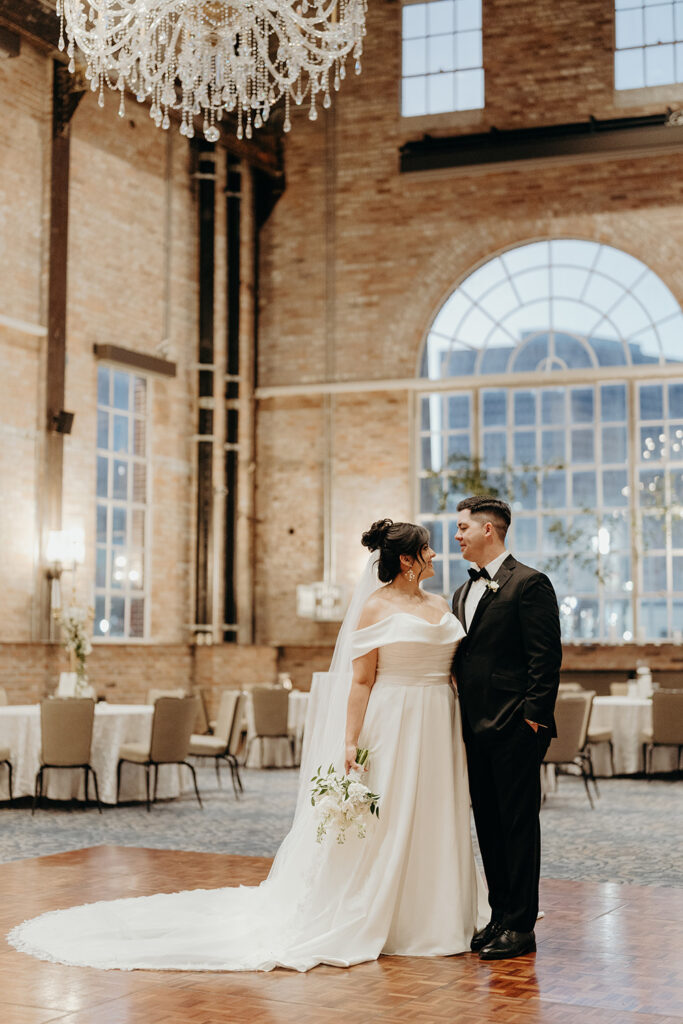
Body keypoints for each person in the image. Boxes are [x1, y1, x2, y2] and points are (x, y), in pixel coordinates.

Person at [8, 518, 487, 972]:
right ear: (406, 559)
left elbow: (454, 672)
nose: (434, 554)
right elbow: (361, 682)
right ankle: (387, 914)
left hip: (438, 721)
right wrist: (349, 741)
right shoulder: (375, 608)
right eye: (427, 549)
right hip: (394, 720)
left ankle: (438, 913)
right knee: (391, 813)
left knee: (434, 810)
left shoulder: (440, 605)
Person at [452, 495, 562, 961]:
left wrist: (533, 720)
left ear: (488, 529)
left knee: (517, 826)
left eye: (462, 527)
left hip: (516, 726)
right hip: (473, 728)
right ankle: (499, 916)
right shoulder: (462, 591)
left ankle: (521, 926)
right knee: (489, 825)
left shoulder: (529, 583)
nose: (456, 535)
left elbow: (545, 658)